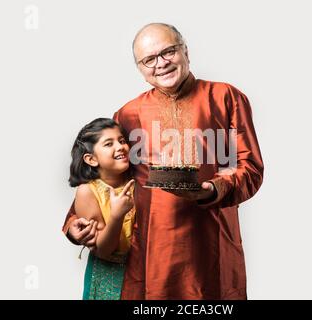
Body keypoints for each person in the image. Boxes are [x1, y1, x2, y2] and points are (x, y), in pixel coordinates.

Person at [63, 23, 264, 299]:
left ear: (185, 51)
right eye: (149, 59)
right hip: (149, 251)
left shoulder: (226, 98)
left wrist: (212, 189)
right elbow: (107, 179)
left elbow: (251, 169)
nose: (161, 64)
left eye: (168, 52)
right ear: (141, 69)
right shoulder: (128, 114)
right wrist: (75, 222)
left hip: (212, 245)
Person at [68, 118, 135, 300]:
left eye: (122, 141)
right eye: (108, 144)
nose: (120, 146)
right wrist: (116, 216)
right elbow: (103, 250)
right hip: (108, 275)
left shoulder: (138, 181)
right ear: (91, 159)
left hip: (140, 272)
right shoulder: (87, 192)